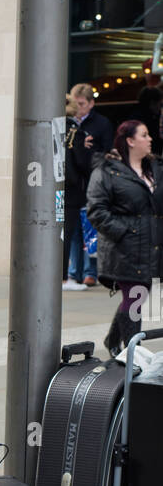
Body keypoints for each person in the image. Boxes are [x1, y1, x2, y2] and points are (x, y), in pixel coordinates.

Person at [85, 119, 163, 357]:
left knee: (142, 298)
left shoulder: (156, 168)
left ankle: (113, 339)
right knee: (136, 299)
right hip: (125, 248)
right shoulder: (107, 171)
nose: (150, 139)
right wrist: (125, 232)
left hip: (154, 247)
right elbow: (97, 210)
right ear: (130, 141)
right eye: (144, 135)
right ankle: (133, 356)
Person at [63, 94, 94, 291]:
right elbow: (83, 162)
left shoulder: (55, 129)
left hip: (59, 189)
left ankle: (65, 275)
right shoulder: (76, 132)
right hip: (74, 191)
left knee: (63, 234)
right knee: (70, 233)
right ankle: (65, 277)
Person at [137, 63, 163, 155]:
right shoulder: (146, 121)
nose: (160, 107)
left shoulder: (137, 117)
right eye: (159, 104)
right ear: (153, 103)